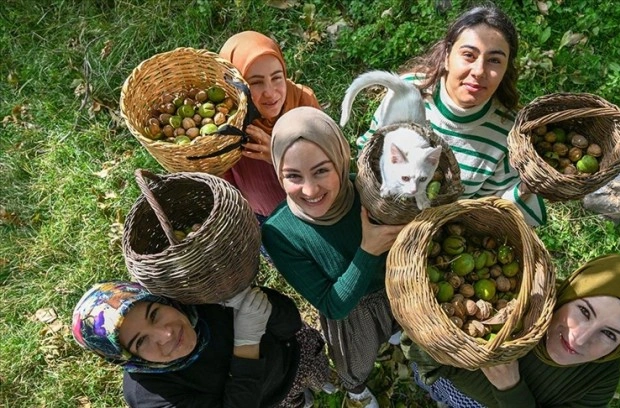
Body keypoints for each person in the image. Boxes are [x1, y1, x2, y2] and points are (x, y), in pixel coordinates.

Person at [261, 107, 405, 408]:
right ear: (277, 173)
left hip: (395, 292)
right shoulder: (279, 233)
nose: (310, 190)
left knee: (397, 327)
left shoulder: (368, 192)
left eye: (321, 171)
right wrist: (368, 251)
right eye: (293, 176)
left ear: (341, 161)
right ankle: (357, 392)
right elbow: (332, 305)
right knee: (357, 361)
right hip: (353, 316)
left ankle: (394, 335)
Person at [356, 4, 546, 227]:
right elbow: (370, 148)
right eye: (468, 55)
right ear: (447, 55)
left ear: (506, 70)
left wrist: (527, 187)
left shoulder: (507, 132)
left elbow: (490, 206)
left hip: (442, 232)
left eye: (494, 60)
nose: (478, 71)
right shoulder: (409, 92)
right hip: (381, 215)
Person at [404, 254, 620, 407]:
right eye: (584, 311)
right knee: (435, 389)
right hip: (443, 379)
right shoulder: (522, 300)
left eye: (609, 334)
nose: (579, 338)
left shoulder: (600, 379)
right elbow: (420, 353)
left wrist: (510, 386)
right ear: (569, 294)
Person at [72, 281, 331, 408]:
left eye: (154, 314)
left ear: (163, 301)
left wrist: (256, 302)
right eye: (141, 341)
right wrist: (247, 344)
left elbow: (290, 324)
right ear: (129, 357)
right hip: (268, 401)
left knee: (322, 375)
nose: (166, 334)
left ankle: (321, 383)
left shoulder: (200, 298)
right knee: (294, 401)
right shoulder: (150, 397)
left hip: (295, 355)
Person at [219, 31, 321, 223]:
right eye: (256, 83)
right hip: (267, 217)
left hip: (315, 205)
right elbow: (225, 176)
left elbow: (330, 159)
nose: (270, 92)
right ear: (235, 85)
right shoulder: (231, 120)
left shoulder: (303, 103)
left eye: (277, 77)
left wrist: (278, 157)